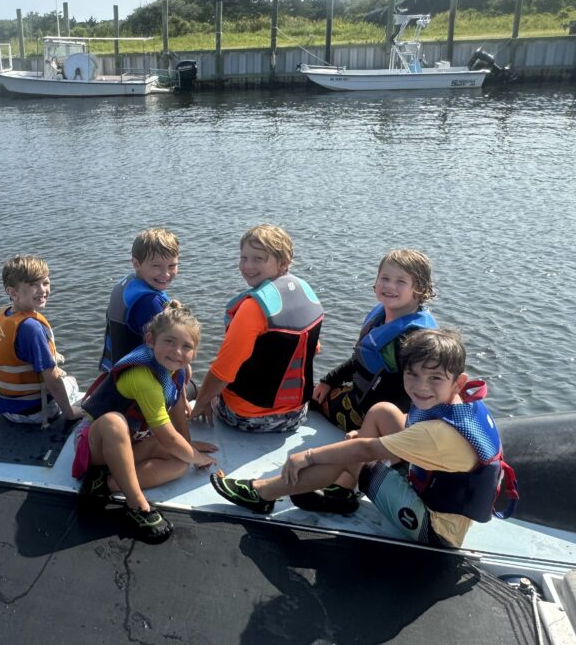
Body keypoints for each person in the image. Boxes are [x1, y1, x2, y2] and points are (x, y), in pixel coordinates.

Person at [211, 329, 519, 548]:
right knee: (384, 410)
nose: (420, 386)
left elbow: (365, 449)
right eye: (412, 375)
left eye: (434, 378)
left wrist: (308, 456)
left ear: (457, 381)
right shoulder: (464, 403)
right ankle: (343, 492)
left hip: (434, 528)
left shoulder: (436, 434)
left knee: (347, 456)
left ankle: (262, 495)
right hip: (439, 485)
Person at [76, 304, 218, 544]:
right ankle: (136, 503)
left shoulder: (176, 370)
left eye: (187, 346)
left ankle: (105, 484)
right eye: (170, 342)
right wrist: (198, 458)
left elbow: (174, 407)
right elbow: (165, 436)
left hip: (132, 442)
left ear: (194, 351)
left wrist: (189, 446)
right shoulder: (144, 378)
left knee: (180, 463)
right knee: (114, 422)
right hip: (96, 446)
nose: (177, 352)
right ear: (151, 340)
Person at [191, 225, 323, 433]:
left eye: (258, 259)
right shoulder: (306, 292)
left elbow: (223, 372)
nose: (247, 266)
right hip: (296, 415)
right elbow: (313, 349)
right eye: (244, 258)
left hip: (247, 417)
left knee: (202, 382)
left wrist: (199, 404)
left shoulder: (253, 308)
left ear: (283, 263)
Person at [313, 249, 438, 433]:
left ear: (419, 290)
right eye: (384, 278)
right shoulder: (381, 318)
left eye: (400, 281)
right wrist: (329, 380)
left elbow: (410, 394)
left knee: (308, 398)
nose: (389, 286)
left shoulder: (410, 339)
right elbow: (361, 359)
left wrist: (371, 431)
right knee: (317, 390)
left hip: (376, 417)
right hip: (362, 397)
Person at [0, 254, 84, 426]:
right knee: (71, 382)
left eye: (45, 283)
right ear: (13, 292)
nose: (42, 290)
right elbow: (52, 379)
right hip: (34, 413)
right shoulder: (32, 328)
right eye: (33, 285)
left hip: (5, 408)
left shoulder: (2, 318)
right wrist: (69, 412)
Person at [99, 227, 181, 372]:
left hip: (115, 374)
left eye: (172, 266)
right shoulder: (149, 303)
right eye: (157, 266)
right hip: (140, 384)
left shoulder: (128, 284)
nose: (166, 274)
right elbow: (168, 354)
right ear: (136, 264)